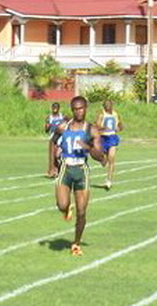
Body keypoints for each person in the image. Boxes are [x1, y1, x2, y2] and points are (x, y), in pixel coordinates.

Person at [51, 96, 106, 256]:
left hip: (81, 170)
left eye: (81, 108)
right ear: (72, 110)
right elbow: (52, 142)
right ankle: (67, 208)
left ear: (86, 108)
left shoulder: (91, 130)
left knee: (82, 212)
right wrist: (52, 164)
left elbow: (101, 158)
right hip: (66, 168)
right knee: (61, 205)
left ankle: (76, 243)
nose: (79, 111)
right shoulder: (63, 126)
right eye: (75, 109)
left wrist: (88, 147)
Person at [96, 100, 123, 190]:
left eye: (109, 105)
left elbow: (120, 126)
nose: (108, 107)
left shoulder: (116, 115)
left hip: (112, 137)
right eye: (106, 105)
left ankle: (109, 180)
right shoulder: (101, 115)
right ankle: (103, 159)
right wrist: (104, 127)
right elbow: (97, 126)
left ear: (112, 105)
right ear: (104, 107)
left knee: (112, 158)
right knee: (104, 161)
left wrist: (118, 127)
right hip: (103, 138)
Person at [45, 102, 65, 178]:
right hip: (53, 136)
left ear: (59, 108)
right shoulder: (49, 118)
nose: (55, 109)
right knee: (53, 155)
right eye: (54, 108)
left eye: (56, 108)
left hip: (61, 137)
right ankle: (53, 171)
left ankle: (59, 169)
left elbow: (68, 123)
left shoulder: (62, 116)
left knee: (58, 154)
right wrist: (48, 126)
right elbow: (46, 130)